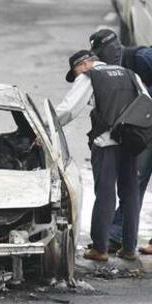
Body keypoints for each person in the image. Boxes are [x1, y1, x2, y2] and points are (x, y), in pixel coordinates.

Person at [56, 50, 149, 261]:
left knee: (105, 194)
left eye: (76, 71)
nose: (77, 76)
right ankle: (128, 248)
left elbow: (69, 109)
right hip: (130, 141)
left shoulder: (91, 76)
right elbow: (146, 100)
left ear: (85, 63)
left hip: (106, 143)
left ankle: (100, 248)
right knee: (130, 194)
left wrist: (47, 126)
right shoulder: (129, 73)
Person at [90, 29, 152, 254]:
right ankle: (118, 237)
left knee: (135, 182)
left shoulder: (142, 59)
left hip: (145, 125)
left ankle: (115, 237)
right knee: (135, 183)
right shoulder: (126, 70)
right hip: (143, 127)